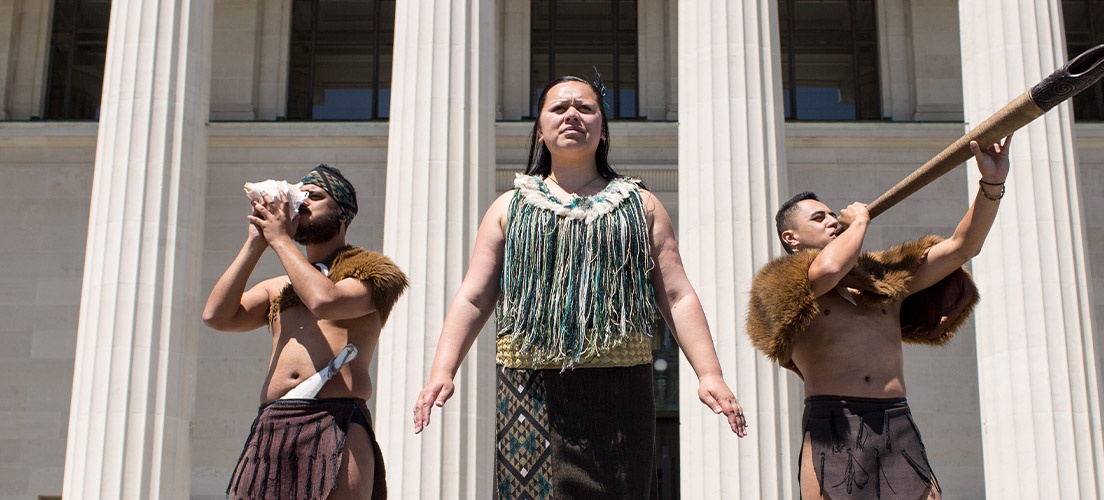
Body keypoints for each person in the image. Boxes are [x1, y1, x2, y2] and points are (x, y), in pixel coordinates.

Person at [411, 75, 748, 499]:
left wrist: (709, 374)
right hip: (529, 389)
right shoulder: (508, 207)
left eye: (586, 108)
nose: (572, 114)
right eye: (558, 108)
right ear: (540, 129)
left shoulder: (640, 204)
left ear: (603, 129)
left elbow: (676, 295)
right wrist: (442, 370)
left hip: (621, 390)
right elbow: (475, 296)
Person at [747, 136, 1013, 500]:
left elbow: (962, 247)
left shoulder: (883, 278)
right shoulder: (781, 285)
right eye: (819, 217)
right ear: (790, 237)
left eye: (832, 214)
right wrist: (858, 224)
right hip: (834, 421)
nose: (831, 220)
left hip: (896, 419)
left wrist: (992, 184)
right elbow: (827, 269)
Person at [203, 164, 408, 500]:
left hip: (336, 417)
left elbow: (325, 301)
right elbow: (216, 316)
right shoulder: (279, 287)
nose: (304, 204)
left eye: (316, 196)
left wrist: (281, 239)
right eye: (301, 198)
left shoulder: (373, 273)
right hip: (274, 421)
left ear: (341, 214)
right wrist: (257, 241)